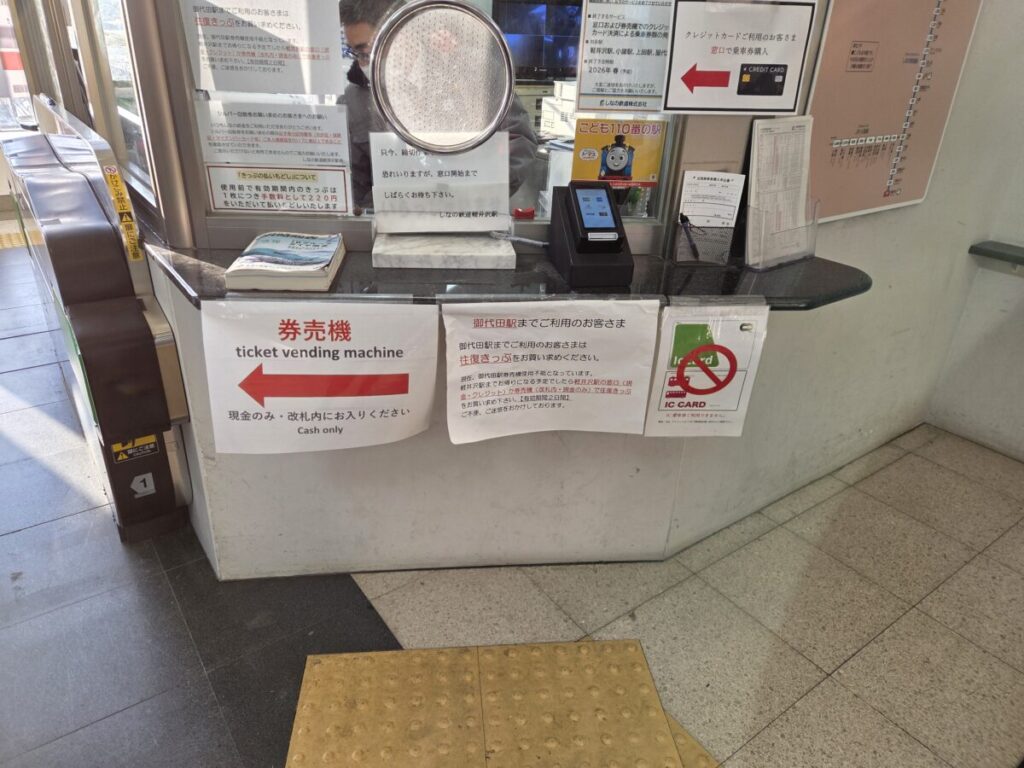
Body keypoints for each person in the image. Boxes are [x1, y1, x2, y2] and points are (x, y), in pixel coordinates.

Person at [338, 0, 538, 212]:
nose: (366, 63)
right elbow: (355, 187)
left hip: (470, 218)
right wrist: (391, 208)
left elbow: (518, 142)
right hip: (397, 223)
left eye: (369, 51)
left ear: (403, 31)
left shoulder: (470, 70)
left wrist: (473, 199)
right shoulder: (355, 100)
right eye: (358, 54)